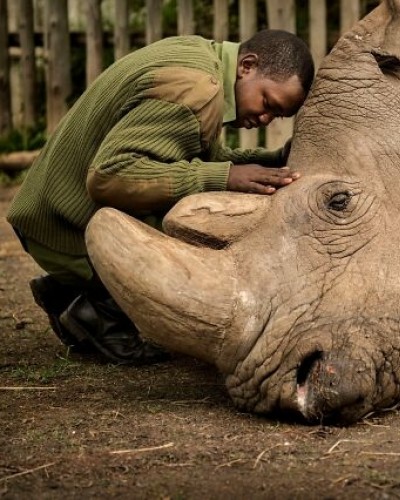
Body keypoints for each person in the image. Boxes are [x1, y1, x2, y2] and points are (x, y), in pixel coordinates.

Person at [7, 30, 315, 364]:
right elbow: (109, 177)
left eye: (278, 115)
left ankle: (69, 290)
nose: (265, 118)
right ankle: (93, 304)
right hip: (60, 226)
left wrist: (270, 162)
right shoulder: (196, 91)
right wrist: (223, 177)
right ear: (247, 66)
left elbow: (191, 157)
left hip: (47, 209)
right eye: (268, 103)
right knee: (192, 225)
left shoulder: (201, 59)